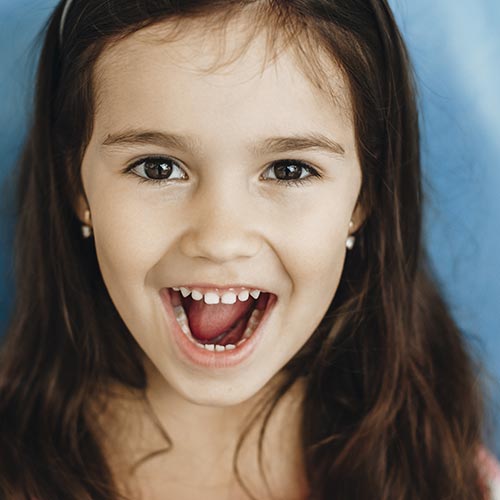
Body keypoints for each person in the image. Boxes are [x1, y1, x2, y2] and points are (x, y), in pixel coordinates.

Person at [0, 0, 498, 499]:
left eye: (289, 169)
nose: (220, 240)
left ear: (364, 197)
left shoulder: (453, 478)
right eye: (157, 168)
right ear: (77, 190)